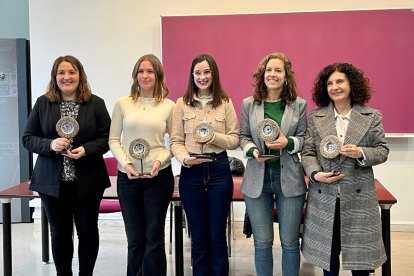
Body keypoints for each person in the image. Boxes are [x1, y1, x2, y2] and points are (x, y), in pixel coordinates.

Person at [22, 55, 111, 276]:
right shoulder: (43, 103)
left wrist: (86, 149)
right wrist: (50, 144)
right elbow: (27, 138)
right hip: (52, 183)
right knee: (60, 233)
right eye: (61, 72)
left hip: (88, 181)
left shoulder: (96, 103)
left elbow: (108, 137)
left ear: (80, 75)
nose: (67, 77)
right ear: (55, 76)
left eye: (72, 72)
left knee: (88, 232)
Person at [301, 63, 389, 276]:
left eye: (340, 81)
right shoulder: (316, 117)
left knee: (360, 260)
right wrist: (315, 174)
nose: (334, 87)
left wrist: (361, 153)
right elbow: (308, 153)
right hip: (325, 197)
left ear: (351, 84)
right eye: (330, 83)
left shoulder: (371, 115)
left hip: (359, 199)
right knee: (328, 257)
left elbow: (382, 150)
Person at [170, 54, 239, 275]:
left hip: (219, 169)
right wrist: (183, 158)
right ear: (192, 75)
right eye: (198, 72)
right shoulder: (181, 104)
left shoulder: (225, 103)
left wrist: (216, 138)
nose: (202, 77)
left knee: (218, 236)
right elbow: (175, 141)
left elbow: (235, 139)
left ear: (213, 74)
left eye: (207, 72)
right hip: (191, 171)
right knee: (198, 237)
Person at [239, 53, 307, 276]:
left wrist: (288, 142)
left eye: (279, 70)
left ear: (286, 76)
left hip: (290, 179)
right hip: (257, 179)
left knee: (289, 243)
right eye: (269, 70)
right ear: (262, 74)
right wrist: (251, 150)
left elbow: (305, 139)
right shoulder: (249, 104)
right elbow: (243, 136)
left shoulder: (299, 105)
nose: (273, 74)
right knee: (262, 242)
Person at [109, 54, 175, 276]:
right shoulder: (123, 103)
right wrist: (126, 163)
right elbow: (113, 140)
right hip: (128, 179)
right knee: (135, 238)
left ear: (158, 75)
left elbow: (174, 143)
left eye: (150, 71)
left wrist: (159, 161)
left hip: (159, 177)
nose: (145, 76)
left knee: (154, 237)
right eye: (141, 71)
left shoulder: (169, 106)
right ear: (135, 75)